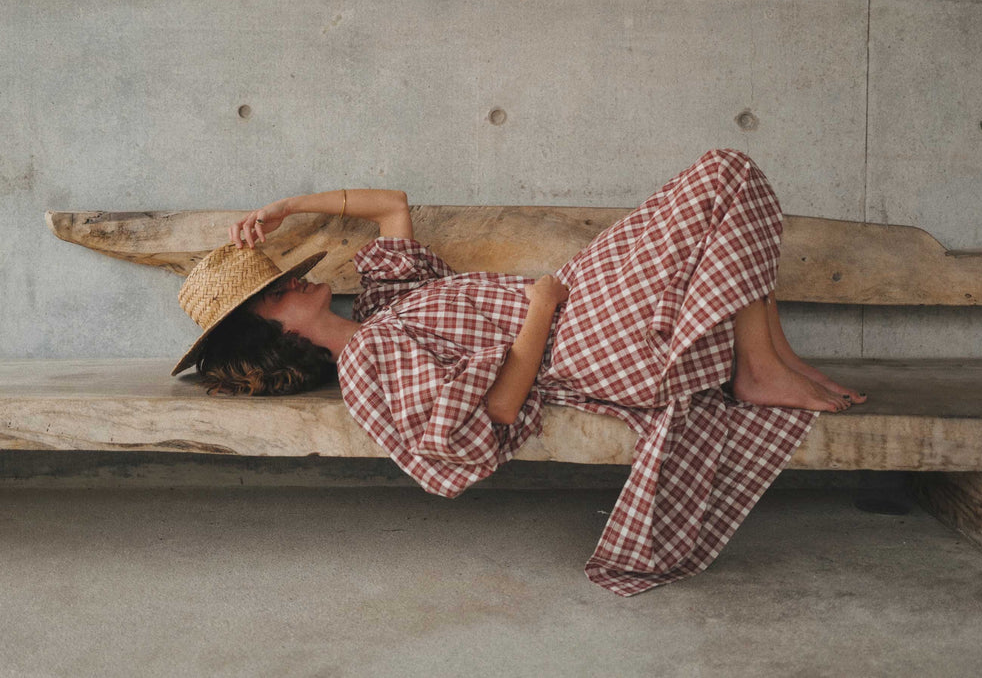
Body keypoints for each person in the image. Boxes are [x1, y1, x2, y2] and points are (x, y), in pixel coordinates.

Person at [172, 148, 866, 596]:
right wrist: (539, 309)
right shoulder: (367, 363)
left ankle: (770, 361)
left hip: (576, 305)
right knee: (722, 180)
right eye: (276, 292)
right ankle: (760, 370)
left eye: (279, 277)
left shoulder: (382, 305)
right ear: (276, 332)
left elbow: (391, 205)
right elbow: (488, 419)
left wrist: (287, 207)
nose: (291, 279)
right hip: (580, 342)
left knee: (725, 179)